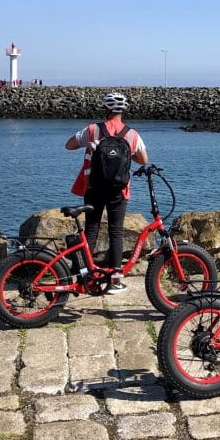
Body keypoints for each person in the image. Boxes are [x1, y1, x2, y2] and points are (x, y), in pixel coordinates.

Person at [65, 92, 148, 294]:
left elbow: (69, 145)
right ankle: (115, 280)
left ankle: (86, 276)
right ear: (123, 110)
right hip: (119, 190)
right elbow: (144, 159)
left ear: (107, 109)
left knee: (91, 230)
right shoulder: (132, 135)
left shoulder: (93, 130)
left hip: (93, 187)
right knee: (116, 231)